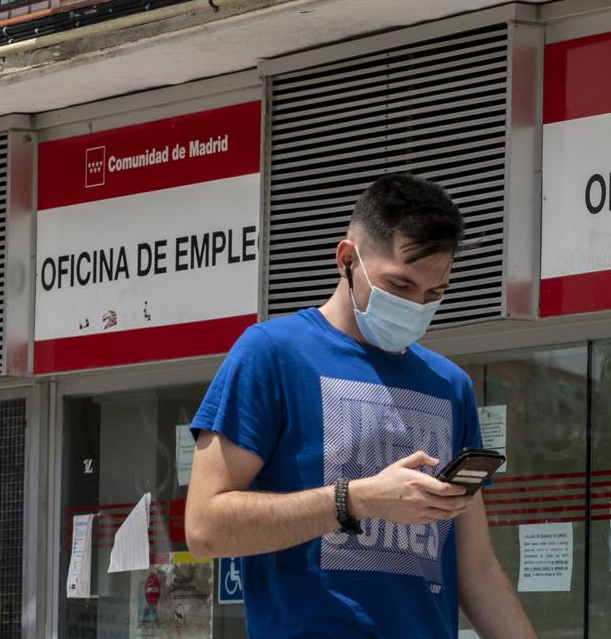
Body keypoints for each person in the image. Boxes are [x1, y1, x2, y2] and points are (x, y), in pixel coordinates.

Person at [184, 174, 537, 637]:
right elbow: (206, 527)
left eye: (434, 294)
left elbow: (478, 571)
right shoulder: (271, 354)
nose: (417, 306)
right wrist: (360, 499)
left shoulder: (451, 386)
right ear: (347, 259)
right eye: (401, 285)